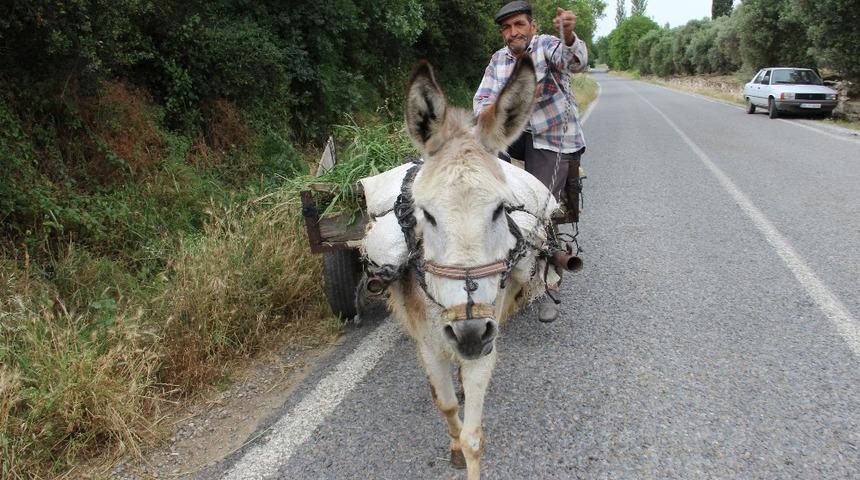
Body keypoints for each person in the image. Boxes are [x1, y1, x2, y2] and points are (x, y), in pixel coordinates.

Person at [473, 0, 588, 323]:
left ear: (533, 27)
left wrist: (568, 36)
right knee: (486, 162)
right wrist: (501, 108)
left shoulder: (547, 47)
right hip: (516, 135)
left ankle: (545, 281)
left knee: (538, 204)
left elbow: (573, 60)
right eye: (507, 28)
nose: (513, 33)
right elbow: (481, 101)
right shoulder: (499, 60)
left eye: (519, 25)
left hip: (554, 137)